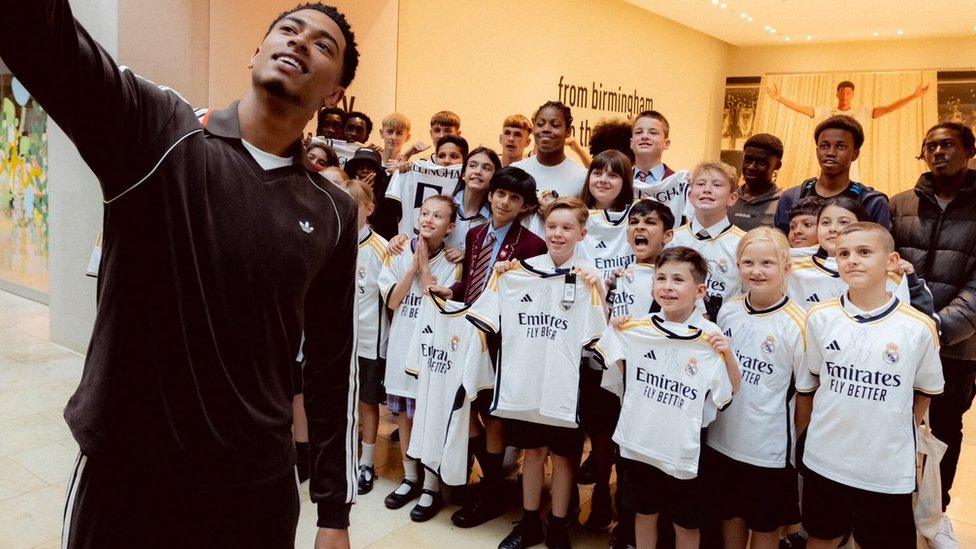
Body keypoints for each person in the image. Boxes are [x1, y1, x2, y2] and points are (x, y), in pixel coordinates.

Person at [1, 1, 361, 547]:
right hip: (131, 478)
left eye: (323, 44)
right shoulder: (156, 130)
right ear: (255, 51)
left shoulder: (333, 208)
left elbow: (332, 366)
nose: (300, 42)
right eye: (288, 29)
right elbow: (40, 36)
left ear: (335, 95)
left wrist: (334, 511)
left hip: (256, 489)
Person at [468, 197, 607, 549]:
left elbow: (598, 334)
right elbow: (488, 317)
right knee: (533, 453)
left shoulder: (588, 278)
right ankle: (529, 522)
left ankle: (558, 525)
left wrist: (599, 289)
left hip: (567, 386)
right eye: (552, 227)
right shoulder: (519, 273)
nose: (558, 234)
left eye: (567, 228)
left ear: (582, 233)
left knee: (564, 459)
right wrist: (500, 277)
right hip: (528, 383)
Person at [795, 222, 944, 549]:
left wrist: (893, 430)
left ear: (891, 261)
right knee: (822, 535)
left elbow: (925, 392)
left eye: (864, 252)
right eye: (843, 254)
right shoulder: (819, 317)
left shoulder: (917, 327)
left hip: (884, 467)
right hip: (826, 458)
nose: (852, 260)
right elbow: (817, 379)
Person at [593, 247, 736, 549]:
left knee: (685, 522)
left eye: (678, 280)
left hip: (681, 448)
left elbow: (728, 392)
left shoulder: (709, 338)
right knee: (644, 512)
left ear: (700, 290)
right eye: (661, 278)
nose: (668, 287)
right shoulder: (637, 328)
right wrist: (617, 331)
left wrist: (728, 356)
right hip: (637, 442)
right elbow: (624, 374)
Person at [433, 166, 546, 530]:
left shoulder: (532, 244)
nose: (505, 202)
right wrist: (452, 291)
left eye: (515, 198)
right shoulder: (477, 233)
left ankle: (494, 490)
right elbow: (471, 282)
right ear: (491, 194)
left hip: (502, 340)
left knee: (493, 415)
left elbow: (529, 299)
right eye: (500, 194)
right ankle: (490, 480)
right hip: (469, 332)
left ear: (525, 206)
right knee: (471, 410)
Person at [890, 121, 976, 547]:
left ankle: (936, 510)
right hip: (897, 343)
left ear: (969, 150)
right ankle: (897, 503)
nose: (938, 151)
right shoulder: (900, 204)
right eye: (931, 145)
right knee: (895, 425)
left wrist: (935, 328)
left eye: (948, 144)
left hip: (957, 347)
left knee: (943, 429)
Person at [706, 227, 805, 549]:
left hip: (767, 449)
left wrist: (792, 439)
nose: (756, 271)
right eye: (748, 262)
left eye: (767, 263)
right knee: (729, 515)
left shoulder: (798, 323)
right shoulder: (730, 309)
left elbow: (806, 394)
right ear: (737, 265)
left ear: (787, 267)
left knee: (764, 525)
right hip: (723, 438)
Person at [377, 195, 461, 515]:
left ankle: (431, 485)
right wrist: (412, 265)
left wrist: (425, 266)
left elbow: (435, 297)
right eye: (425, 213)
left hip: (432, 349)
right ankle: (409, 477)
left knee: (430, 415)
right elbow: (394, 301)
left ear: (450, 226)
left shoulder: (454, 261)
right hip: (402, 343)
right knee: (404, 415)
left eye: (438, 216)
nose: (428, 219)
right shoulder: (398, 250)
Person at [787, 197, 927, 313]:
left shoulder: (885, 270)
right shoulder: (792, 269)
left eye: (843, 222)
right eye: (825, 223)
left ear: (861, 226)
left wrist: (912, 281)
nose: (832, 229)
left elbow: (916, 318)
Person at [774, 115, 890, 233]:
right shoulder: (791, 198)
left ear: (855, 154)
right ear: (817, 150)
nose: (831, 152)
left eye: (841, 146)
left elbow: (881, 248)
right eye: (824, 146)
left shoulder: (872, 203)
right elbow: (779, 247)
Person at [347, 181, 389, 497]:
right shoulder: (334, 239)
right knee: (341, 401)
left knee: (367, 403)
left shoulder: (381, 248)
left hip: (369, 341)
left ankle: (367, 462)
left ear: (369, 208)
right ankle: (344, 456)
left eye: (355, 205)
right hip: (338, 340)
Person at [668, 161, 745, 320]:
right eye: (701, 184)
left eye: (717, 185)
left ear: (732, 198)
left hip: (725, 331)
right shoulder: (673, 239)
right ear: (690, 195)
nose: (707, 190)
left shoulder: (743, 243)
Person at [512, 101, 588, 236]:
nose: (545, 129)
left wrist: (555, 214)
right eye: (540, 124)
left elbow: (585, 225)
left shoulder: (581, 177)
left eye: (555, 125)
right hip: (516, 255)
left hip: (560, 254)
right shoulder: (516, 170)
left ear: (568, 131)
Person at [447, 147, 501, 251]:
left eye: (486, 168)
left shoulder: (495, 219)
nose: (478, 171)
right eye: (472, 166)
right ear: (463, 174)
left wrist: (466, 257)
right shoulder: (444, 206)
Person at [728, 133, 784, 231]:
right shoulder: (728, 195)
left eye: (761, 163)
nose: (751, 167)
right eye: (748, 160)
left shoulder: (783, 202)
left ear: (777, 165)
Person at [344, 146, 398, 239]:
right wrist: (359, 193)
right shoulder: (344, 189)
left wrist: (368, 196)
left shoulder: (388, 191)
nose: (365, 170)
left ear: (378, 171)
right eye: (360, 167)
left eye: (370, 167)